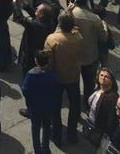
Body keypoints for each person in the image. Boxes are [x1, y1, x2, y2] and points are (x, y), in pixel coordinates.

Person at [44, 11, 83, 147]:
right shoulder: (78, 37)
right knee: (75, 105)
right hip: (73, 76)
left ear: (59, 25)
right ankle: (72, 134)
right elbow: (76, 29)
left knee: (56, 108)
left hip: (58, 77)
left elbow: (49, 62)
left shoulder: (52, 39)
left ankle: (57, 135)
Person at [22, 48, 60, 154]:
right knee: (47, 127)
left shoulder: (31, 74)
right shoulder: (52, 75)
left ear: (36, 61)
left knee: (35, 128)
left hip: (35, 108)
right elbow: (56, 90)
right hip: (48, 107)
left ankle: (37, 150)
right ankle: (46, 148)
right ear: (48, 62)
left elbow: (25, 90)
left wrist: (30, 100)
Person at [85, 67, 120, 149]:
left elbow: (112, 119)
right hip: (91, 125)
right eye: (101, 75)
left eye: (106, 76)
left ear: (111, 80)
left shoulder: (112, 98)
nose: (103, 78)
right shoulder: (98, 89)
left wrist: (105, 134)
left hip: (100, 131)